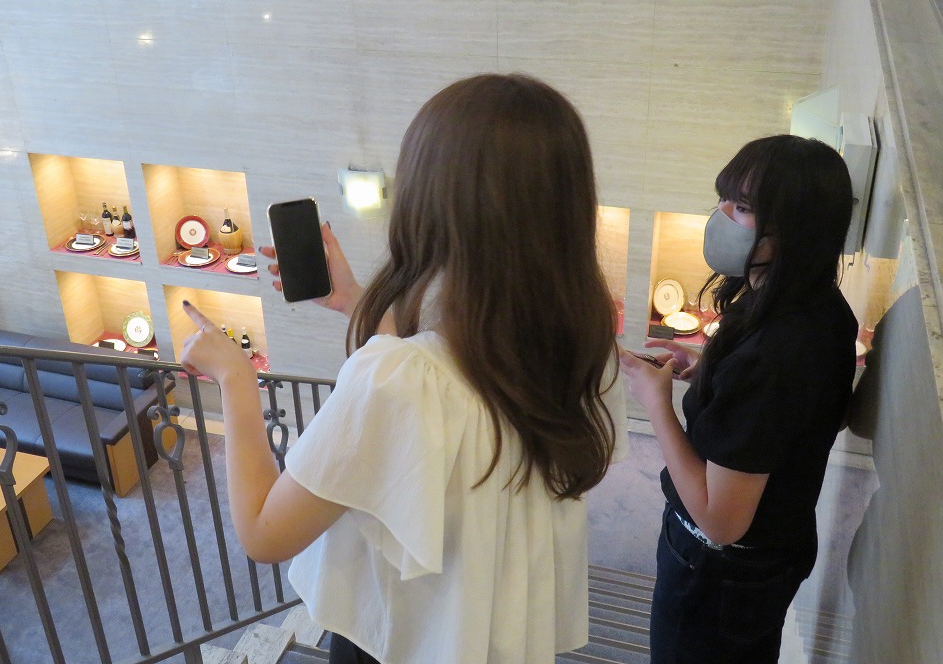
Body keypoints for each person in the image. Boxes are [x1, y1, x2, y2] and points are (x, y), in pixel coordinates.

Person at [180, 73, 627, 664]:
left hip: (403, 643)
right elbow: (453, 376)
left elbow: (264, 532)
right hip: (493, 634)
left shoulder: (397, 380)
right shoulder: (586, 351)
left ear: (430, 205)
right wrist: (353, 301)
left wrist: (235, 378)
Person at [619, 134, 857, 663]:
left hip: (718, 576)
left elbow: (721, 521)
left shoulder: (774, 351)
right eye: (724, 199)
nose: (721, 217)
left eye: (744, 208)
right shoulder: (820, 305)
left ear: (797, 227)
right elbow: (798, 415)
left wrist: (655, 403)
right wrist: (709, 373)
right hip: (766, 561)